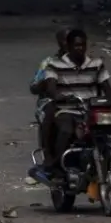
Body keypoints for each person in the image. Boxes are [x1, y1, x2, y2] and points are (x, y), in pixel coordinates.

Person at [30, 29, 111, 184]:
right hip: (68, 108)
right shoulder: (53, 64)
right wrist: (58, 95)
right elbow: (50, 87)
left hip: (92, 109)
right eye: (76, 45)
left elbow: (107, 88)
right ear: (68, 46)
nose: (80, 48)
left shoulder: (96, 64)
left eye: (82, 45)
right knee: (65, 130)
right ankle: (57, 168)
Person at [31, 26, 71, 160]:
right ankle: (48, 156)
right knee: (50, 113)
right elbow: (34, 88)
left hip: (81, 100)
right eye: (66, 40)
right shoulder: (49, 63)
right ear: (59, 42)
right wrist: (45, 83)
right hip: (54, 101)